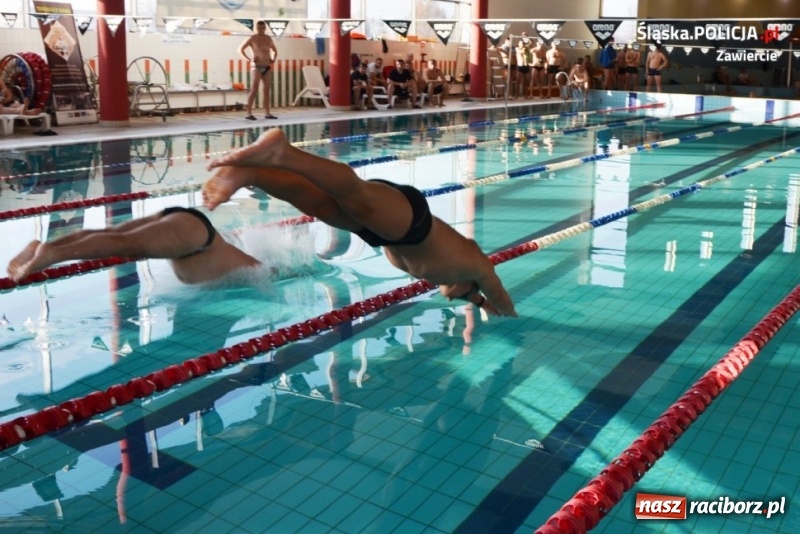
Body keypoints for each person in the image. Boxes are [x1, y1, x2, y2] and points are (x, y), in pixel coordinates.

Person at [204, 129, 517, 317]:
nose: (450, 296)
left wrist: (479, 303)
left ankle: (250, 173)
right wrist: (508, 314)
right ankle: (281, 152)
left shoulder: (454, 281)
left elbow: (467, 296)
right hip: (411, 223)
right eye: (466, 296)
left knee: (318, 204)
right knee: (353, 195)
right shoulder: (474, 265)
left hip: (384, 235)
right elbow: (499, 295)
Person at [7, 207, 260, 285]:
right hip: (195, 239)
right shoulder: (260, 271)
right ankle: (53, 253)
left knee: (114, 234)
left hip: (188, 227)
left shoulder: (242, 262)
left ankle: (45, 246)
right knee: (124, 242)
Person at [238, 20, 278, 120]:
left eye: (263, 28)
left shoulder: (268, 38)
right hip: (256, 66)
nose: (261, 30)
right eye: (259, 28)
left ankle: (267, 113)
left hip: (267, 66)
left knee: (266, 90)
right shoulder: (253, 38)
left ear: (265, 28)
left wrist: (273, 59)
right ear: (256, 28)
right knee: (254, 89)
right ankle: (248, 113)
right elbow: (240, 49)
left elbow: (275, 50)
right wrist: (249, 59)